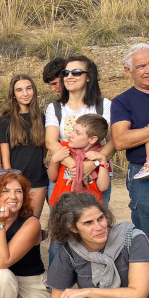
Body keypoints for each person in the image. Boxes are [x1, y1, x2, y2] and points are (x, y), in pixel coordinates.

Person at [112, 43, 149, 275]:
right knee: (147, 238)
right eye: (141, 65)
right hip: (145, 178)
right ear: (128, 71)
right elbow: (121, 140)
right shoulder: (123, 101)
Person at [45, 55, 114, 206]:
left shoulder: (103, 105)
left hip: (95, 176)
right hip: (64, 176)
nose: (69, 76)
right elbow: (51, 142)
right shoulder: (55, 108)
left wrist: (92, 164)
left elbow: (113, 142)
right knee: (60, 224)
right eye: (66, 73)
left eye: (76, 72)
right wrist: (77, 167)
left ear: (88, 77)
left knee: (94, 223)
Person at [0, 74, 48, 217]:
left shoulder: (42, 118)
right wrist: (10, 185)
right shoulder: (4, 121)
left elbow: (44, 149)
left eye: (28, 88)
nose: (25, 94)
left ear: (34, 91)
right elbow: (5, 159)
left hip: (38, 181)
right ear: (13, 94)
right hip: (15, 182)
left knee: (33, 224)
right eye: (19, 90)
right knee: (15, 225)